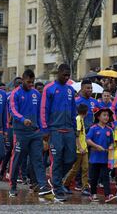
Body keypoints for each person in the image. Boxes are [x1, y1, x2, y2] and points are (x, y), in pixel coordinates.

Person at [8, 69, 52, 197]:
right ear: (23, 80)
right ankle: (13, 186)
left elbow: (40, 113)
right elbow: (13, 110)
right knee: (17, 159)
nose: (31, 85)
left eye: (32, 82)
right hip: (20, 133)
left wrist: (42, 129)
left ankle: (42, 185)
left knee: (38, 159)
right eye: (29, 82)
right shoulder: (15, 93)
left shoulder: (36, 94)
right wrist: (22, 119)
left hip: (35, 133)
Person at [40, 64, 77, 201]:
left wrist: (75, 128)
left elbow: (74, 110)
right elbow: (44, 109)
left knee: (71, 158)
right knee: (57, 159)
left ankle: (56, 179)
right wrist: (45, 129)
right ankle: (57, 187)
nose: (66, 77)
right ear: (59, 73)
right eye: (64, 74)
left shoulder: (70, 90)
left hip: (69, 130)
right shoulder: (49, 89)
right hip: (55, 130)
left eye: (68, 75)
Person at [86, 107, 116, 203]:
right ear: (98, 117)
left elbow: (111, 142)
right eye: (104, 115)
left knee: (105, 177)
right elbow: (88, 140)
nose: (106, 117)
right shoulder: (93, 128)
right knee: (94, 178)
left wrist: (111, 146)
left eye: (107, 115)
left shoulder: (110, 130)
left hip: (105, 159)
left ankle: (108, 195)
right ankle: (93, 194)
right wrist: (96, 146)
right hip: (94, 158)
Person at [62, 104, 90, 196]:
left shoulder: (81, 119)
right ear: (86, 112)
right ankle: (65, 184)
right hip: (79, 149)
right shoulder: (78, 119)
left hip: (84, 148)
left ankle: (84, 187)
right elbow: (77, 135)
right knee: (75, 169)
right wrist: (80, 147)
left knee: (85, 168)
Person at [0, 77, 22, 181]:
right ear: (14, 84)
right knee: (9, 151)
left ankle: (14, 172)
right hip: (10, 127)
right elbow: (5, 111)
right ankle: (2, 171)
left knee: (18, 151)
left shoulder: (24, 94)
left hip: (20, 128)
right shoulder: (9, 96)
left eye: (21, 83)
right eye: (17, 83)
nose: (19, 85)